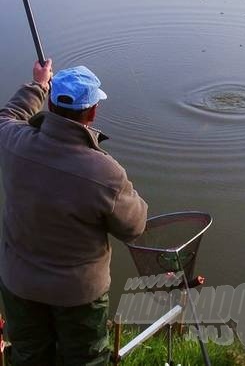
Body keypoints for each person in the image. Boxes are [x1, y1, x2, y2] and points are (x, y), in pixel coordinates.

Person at [0, 60, 148, 365]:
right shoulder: (105, 173)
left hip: (20, 287)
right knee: (86, 360)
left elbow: (8, 116)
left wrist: (39, 84)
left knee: (29, 357)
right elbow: (134, 227)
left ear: (51, 105)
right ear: (92, 113)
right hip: (78, 297)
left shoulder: (13, 142)